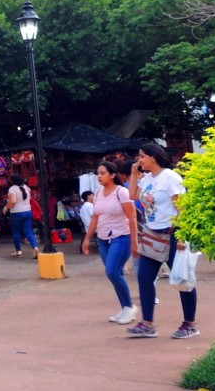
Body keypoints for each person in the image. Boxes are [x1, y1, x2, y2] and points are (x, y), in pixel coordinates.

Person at [127, 142, 196, 339]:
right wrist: (133, 173)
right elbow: (133, 195)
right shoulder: (148, 178)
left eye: (142, 156)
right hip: (153, 235)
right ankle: (147, 324)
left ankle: (190, 324)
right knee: (144, 278)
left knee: (182, 279)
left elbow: (182, 207)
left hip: (173, 233)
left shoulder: (170, 177)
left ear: (153, 157)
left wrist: (183, 235)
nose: (139, 160)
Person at [82, 161, 138, 324]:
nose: (99, 176)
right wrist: (87, 239)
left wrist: (134, 241)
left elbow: (132, 217)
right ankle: (125, 308)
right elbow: (95, 217)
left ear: (113, 175)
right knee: (115, 274)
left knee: (112, 272)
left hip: (121, 237)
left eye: (103, 173)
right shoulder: (98, 194)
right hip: (103, 239)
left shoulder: (122, 192)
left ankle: (129, 307)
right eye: (98, 173)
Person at [4, 174, 38, 258]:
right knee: (29, 231)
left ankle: (18, 251)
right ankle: (35, 247)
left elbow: (13, 201)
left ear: (12, 181)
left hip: (17, 213)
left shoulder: (12, 189)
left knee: (16, 232)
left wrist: (6, 207)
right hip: (28, 211)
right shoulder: (26, 187)